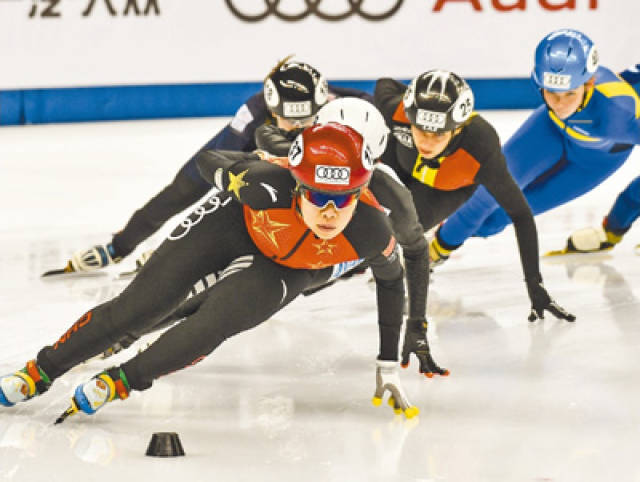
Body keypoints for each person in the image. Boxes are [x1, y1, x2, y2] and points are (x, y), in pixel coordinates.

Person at [0, 123, 419, 420]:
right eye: (318, 195)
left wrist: (386, 364)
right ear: (297, 183)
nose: (329, 211)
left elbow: (392, 282)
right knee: (140, 307)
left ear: (360, 193)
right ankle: (40, 370)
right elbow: (207, 160)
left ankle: (121, 380)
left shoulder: (370, 229)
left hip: (288, 269)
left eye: (342, 199)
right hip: (232, 225)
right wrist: (234, 178)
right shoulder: (267, 184)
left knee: (216, 321)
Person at [52, 56, 371, 275]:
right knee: (183, 191)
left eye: (305, 119)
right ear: (272, 107)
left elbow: (368, 104)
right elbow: (224, 171)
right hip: (241, 152)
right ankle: (118, 247)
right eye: (287, 119)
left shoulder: (335, 103)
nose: (295, 125)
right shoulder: (253, 111)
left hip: (294, 163)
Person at [256, 97, 447, 377]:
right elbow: (264, 136)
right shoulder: (298, 158)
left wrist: (417, 324)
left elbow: (416, 251)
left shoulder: (390, 192)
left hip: (328, 258)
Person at [374, 69, 574, 322]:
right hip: (401, 164)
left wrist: (535, 285)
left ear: (457, 129)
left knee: (396, 231)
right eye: (421, 130)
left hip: (446, 188)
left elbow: (521, 214)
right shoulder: (398, 110)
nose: (427, 142)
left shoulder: (481, 147)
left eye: (438, 134)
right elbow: (384, 84)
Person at [430, 30, 640, 262]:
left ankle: (438, 239)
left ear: (590, 82)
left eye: (570, 94)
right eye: (551, 92)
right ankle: (430, 248)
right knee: (487, 194)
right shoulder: (563, 99)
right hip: (549, 130)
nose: (559, 104)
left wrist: (615, 226)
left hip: (594, 162)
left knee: (496, 220)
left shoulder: (620, 115)